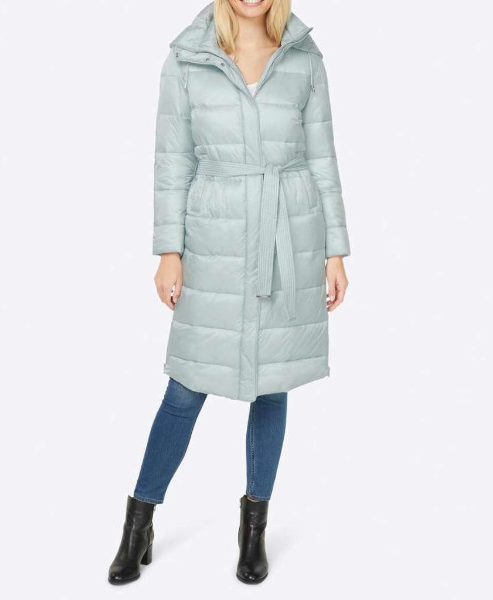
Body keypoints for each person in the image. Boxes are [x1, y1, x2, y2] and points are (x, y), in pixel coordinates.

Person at [109, 0, 350, 585]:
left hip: (289, 235)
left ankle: (253, 530)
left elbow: (322, 156)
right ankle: (139, 524)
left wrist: (335, 250)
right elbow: (172, 160)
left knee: (272, 383)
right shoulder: (187, 58)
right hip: (214, 237)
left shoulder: (304, 56)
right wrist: (169, 250)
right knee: (186, 387)